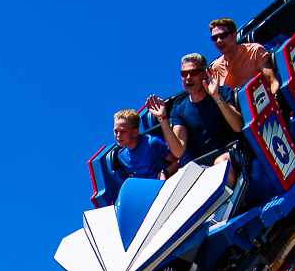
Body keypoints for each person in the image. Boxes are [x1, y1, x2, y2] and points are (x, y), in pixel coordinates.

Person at [145, 54, 243, 188]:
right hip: (203, 163)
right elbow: (178, 151)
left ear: (204, 74)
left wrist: (217, 98)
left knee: (220, 164)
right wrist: (163, 119)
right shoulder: (179, 108)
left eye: (194, 73)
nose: (188, 78)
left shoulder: (222, 92)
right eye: (184, 74)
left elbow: (238, 126)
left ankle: (241, 205)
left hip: (233, 151)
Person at [209, 18, 280, 94]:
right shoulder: (216, 68)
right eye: (214, 38)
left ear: (234, 36)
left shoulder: (254, 51)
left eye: (223, 35)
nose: (219, 41)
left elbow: (273, 82)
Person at [113, 109, 178, 180]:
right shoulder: (122, 156)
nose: (118, 135)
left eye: (123, 131)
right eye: (116, 131)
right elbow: (134, 180)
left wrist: (165, 172)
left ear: (135, 132)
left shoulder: (152, 143)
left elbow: (178, 161)